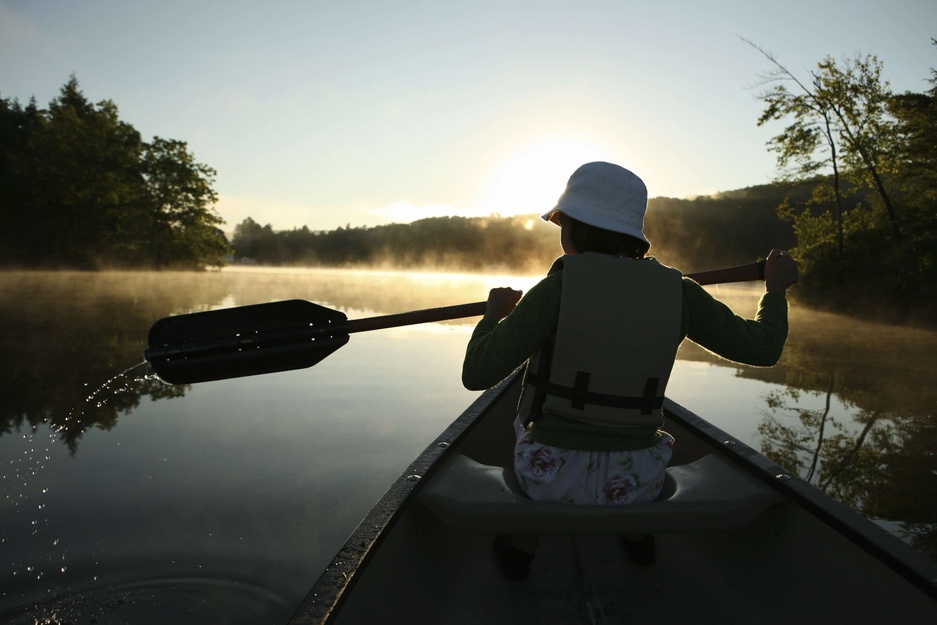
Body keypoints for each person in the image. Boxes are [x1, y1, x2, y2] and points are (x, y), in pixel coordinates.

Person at [461, 161, 798, 579]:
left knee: (521, 422)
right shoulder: (679, 292)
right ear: (633, 236)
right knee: (630, 459)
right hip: (639, 479)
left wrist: (493, 317)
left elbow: (477, 374)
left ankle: (524, 545)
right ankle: (636, 536)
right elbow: (763, 349)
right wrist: (776, 291)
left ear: (571, 228)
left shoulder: (557, 288)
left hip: (549, 476)